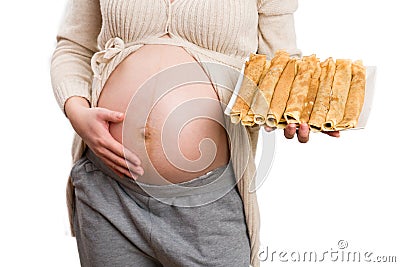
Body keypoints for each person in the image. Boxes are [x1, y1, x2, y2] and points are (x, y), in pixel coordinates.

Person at [50, 0, 339, 266]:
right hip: (109, 191)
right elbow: (73, 48)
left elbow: (283, 69)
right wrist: (77, 113)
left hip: (208, 204)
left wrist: (300, 109)